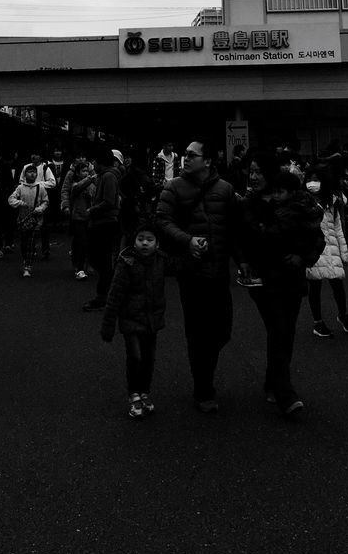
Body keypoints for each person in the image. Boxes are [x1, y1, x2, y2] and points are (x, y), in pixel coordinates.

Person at [155, 137, 243, 414]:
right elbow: (161, 221)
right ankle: (203, 387)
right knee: (196, 331)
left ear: (207, 161)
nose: (186, 157)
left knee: (222, 329)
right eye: (185, 153)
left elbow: (235, 229)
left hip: (218, 273)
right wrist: (186, 241)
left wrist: (243, 262)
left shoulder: (226, 190)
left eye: (192, 154)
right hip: (190, 273)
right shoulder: (173, 187)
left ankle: (205, 369)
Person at [241, 151, 324, 417]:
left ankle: (273, 380)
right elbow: (247, 238)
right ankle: (285, 392)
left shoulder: (298, 203)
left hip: (292, 274)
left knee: (285, 330)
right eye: (250, 172)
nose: (253, 177)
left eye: (258, 172)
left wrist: (303, 258)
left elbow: (318, 238)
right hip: (265, 277)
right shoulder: (250, 204)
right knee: (278, 328)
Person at [101, 221, 167, 419]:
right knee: (136, 357)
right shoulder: (126, 263)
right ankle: (134, 394)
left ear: (157, 244)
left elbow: (180, 266)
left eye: (149, 240)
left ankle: (144, 391)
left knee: (148, 358)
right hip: (131, 319)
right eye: (140, 239)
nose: (144, 243)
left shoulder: (161, 261)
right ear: (134, 241)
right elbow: (114, 296)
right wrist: (108, 326)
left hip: (152, 320)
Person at [303, 168, 348, 337]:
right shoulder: (303, 202)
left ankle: (343, 314)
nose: (312, 183)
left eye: (316, 179)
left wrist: (344, 251)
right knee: (315, 285)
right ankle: (318, 322)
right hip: (312, 248)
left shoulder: (332, 201)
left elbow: (338, 228)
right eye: (310, 179)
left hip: (331, 247)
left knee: (337, 282)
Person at [82, 146, 121, 311]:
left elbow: (109, 201)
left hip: (105, 222)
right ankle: (108, 294)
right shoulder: (105, 176)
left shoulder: (109, 176)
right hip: (102, 222)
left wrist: (92, 210)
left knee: (100, 259)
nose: (92, 165)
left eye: (94, 162)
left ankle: (105, 296)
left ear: (100, 163)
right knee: (99, 259)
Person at [8, 164, 48, 277]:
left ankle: (27, 266)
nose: (32, 174)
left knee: (31, 242)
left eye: (34, 172)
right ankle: (25, 260)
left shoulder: (41, 188)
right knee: (24, 243)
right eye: (29, 172)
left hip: (35, 220)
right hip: (23, 219)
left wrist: (40, 209)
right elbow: (11, 199)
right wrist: (20, 203)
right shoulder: (20, 188)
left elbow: (46, 201)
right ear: (25, 174)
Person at [61, 155, 96, 278]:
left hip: (90, 216)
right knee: (81, 241)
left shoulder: (92, 177)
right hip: (77, 215)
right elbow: (67, 189)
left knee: (88, 242)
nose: (81, 159)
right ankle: (79, 267)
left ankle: (86, 264)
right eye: (83, 171)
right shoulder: (74, 177)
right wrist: (65, 206)